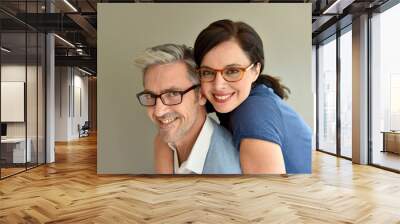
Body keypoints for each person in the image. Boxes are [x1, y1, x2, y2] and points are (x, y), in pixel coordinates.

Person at [193, 19, 312, 174]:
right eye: (208, 72)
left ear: (255, 70)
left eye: (232, 71)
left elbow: (266, 194)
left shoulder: (252, 113)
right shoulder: (253, 97)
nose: (218, 85)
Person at [135, 44, 241, 174]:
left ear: (201, 94)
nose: (158, 111)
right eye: (150, 95)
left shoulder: (225, 173)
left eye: (173, 94)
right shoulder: (167, 142)